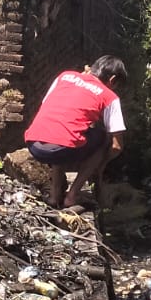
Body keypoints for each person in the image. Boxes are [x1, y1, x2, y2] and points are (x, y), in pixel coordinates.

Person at [23, 56, 127, 209]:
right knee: (103, 139)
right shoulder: (109, 96)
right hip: (60, 148)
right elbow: (117, 145)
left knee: (64, 131)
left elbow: (48, 104)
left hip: (34, 144)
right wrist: (101, 164)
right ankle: (72, 196)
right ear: (112, 80)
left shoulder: (65, 76)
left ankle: (54, 194)